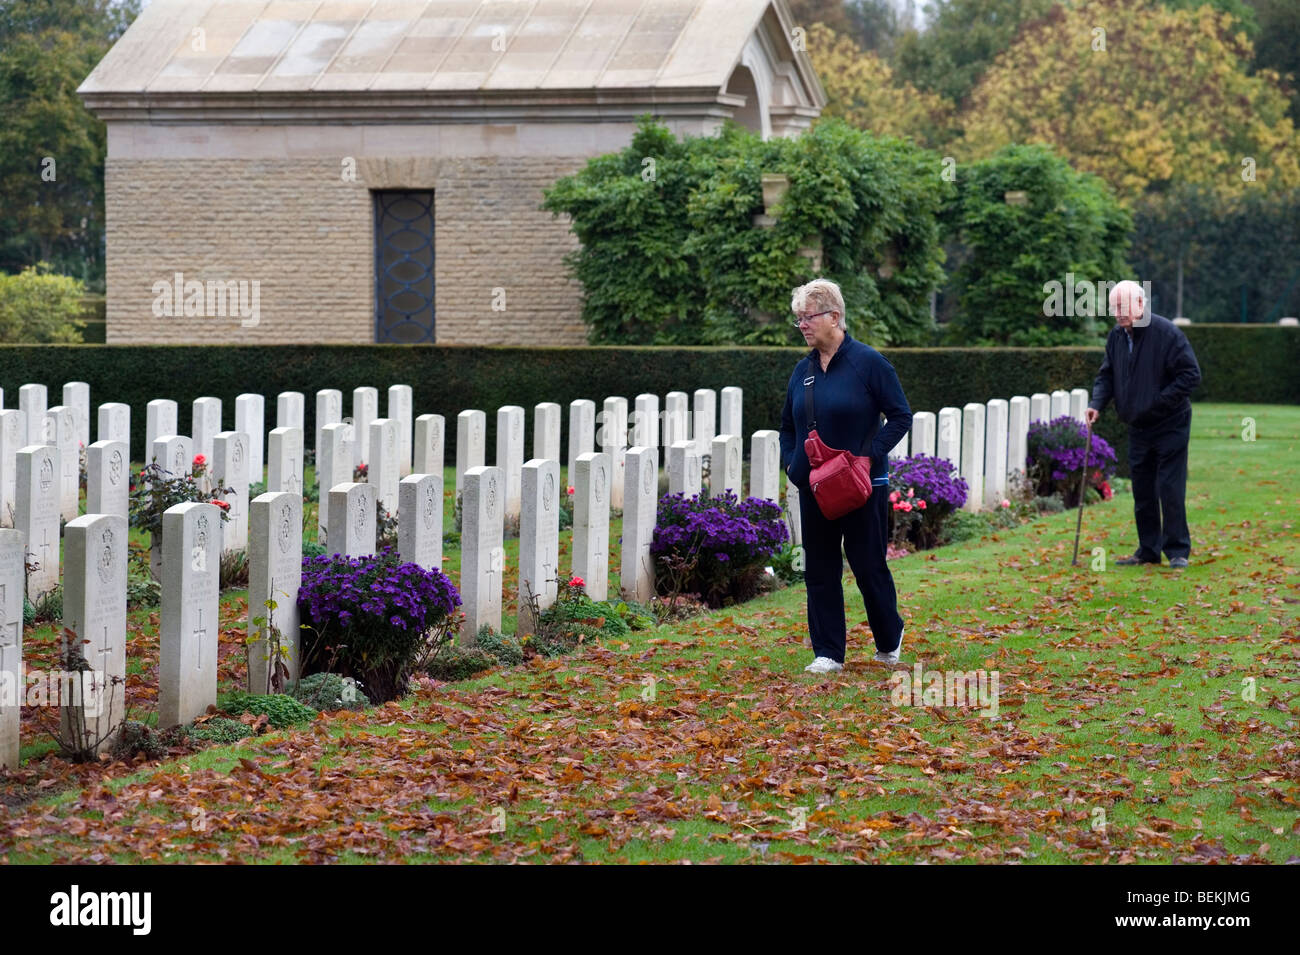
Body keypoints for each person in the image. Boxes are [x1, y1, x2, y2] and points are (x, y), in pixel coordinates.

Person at [779, 279, 912, 674]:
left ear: (834, 317)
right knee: (819, 569)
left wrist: (868, 456)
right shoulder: (801, 372)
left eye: (808, 317)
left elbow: (900, 415)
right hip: (816, 487)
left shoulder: (869, 363)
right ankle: (828, 652)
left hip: (862, 485)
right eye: (798, 319)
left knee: (868, 565)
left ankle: (889, 638)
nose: (801, 325)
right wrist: (793, 464)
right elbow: (788, 425)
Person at [1085, 280, 1202, 568]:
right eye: (1114, 307)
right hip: (1138, 426)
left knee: (1169, 487)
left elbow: (1190, 375)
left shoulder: (1166, 333)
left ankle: (1176, 552)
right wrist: (1096, 404)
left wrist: (1158, 402)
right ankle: (1148, 550)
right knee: (1143, 488)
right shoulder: (1116, 337)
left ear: (1140, 304)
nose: (1118, 313)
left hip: (1170, 424)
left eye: (1123, 306)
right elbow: (1107, 375)